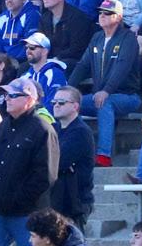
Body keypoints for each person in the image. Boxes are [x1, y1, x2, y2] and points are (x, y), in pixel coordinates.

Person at [0, 75, 58, 246]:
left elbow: (45, 176)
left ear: (29, 99)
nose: (7, 99)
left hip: (28, 215)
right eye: (6, 95)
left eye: (13, 95)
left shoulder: (42, 129)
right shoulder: (2, 127)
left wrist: (18, 200)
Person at [72, 0, 142, 167]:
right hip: (100, 95)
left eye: (108, 13)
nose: (102, 15)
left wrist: (107, 90)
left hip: (127, 96)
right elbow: (83, 65)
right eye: (100, 12)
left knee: (104, 102)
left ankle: (104, 156)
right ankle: (72, 152)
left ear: (118, 17)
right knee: (66, 103)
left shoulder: (128, 38)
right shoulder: (97, 37)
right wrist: (68, 89)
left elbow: (122, 67)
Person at [48, 86, 95, 228]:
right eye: (54, 102)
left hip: (74, 203)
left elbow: (58, 162)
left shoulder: (81, 132)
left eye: (61, 102)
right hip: (55, 199)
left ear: (75, 106)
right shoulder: (53, 129)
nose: (56, 105)